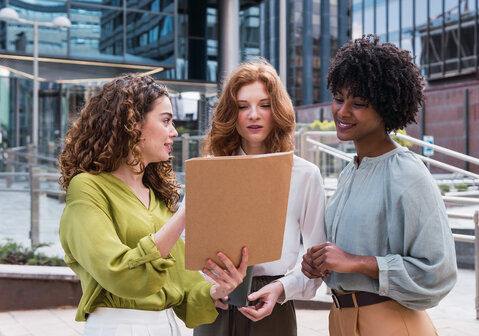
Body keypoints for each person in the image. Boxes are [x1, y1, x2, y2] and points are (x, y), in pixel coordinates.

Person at [58, 74, 248, 335]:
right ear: (132, 123)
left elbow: (184, 283)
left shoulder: (157, 197)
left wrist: (219, 289)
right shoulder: (87, 188)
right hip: (119, 327)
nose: (174, 132)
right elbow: (118, 272)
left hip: (167, 325)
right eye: (166, 120)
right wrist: (187, 212)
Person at [302, 35, 458, 336]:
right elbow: (344, 257)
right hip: (341, 320)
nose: (343, 111)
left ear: (386, 108)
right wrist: (320, 263)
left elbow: (437, 272)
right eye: (338, 98)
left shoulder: (409, 174)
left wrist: (356, 262)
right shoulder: (352, 170)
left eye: (358, 103)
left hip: (389, 322)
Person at [193, 58, 326, 336]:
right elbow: (184, 247)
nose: (254, 114)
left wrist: (282, 288)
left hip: (274, 305)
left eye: (264, 105)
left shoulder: (305, 175)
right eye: (243, 107)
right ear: (232, 114)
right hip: (215, 303)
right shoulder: (209, 171)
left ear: (277, 110)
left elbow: (317, 261)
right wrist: (206, 289)